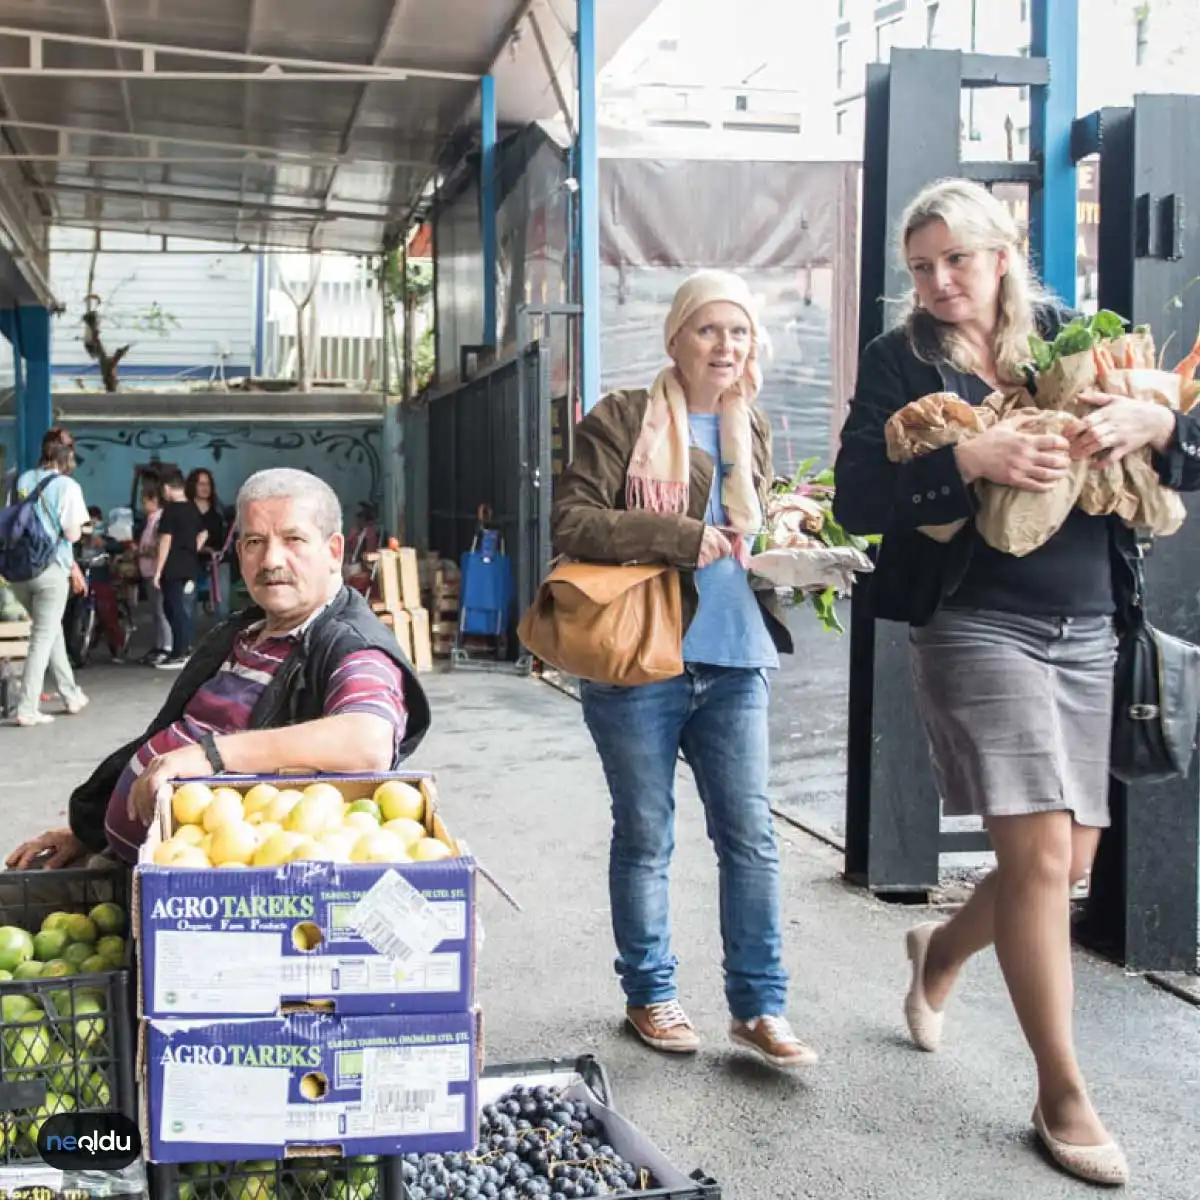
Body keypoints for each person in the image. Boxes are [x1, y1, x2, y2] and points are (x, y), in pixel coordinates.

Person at [833, 177, 1200, 1186]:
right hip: (973, 623)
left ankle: (942, 952)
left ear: (1003, 253)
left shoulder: (1081, 338)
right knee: (1041, 856)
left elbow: (1189, 458)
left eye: (956, 259)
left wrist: (1155, 430)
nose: (939, 281)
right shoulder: (898, 358)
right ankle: (1062, 1093)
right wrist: (970, 457)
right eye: (920, 267)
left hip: (1090, 626)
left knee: (1066, 860)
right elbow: (857, 494)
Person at [550, 271, 814, 1071]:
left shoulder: (752, 425)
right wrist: (672, 535)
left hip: (734, 656)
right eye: (709, 329)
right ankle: (651, 993)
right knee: (647, 835)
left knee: (752, 839)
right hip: (639, 659)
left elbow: (746, 533)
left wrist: (792, 542)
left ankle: (760, 1007)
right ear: (676, 338)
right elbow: (572, 520)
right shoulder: (623, 417)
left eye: (739, 332)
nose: (725, 346)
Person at [8, 467, 432, 869]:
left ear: (333, 551)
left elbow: (367, 739)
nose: (270, 560)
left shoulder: (348, 643)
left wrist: (212, 755)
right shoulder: (246, 630)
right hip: (136, 864)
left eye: (293, 539)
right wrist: (88, 832)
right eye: (253, 542)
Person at [6, 428, 89, 726]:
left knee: (49, 631)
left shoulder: (22, 479)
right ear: (66, 455)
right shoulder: (67, 485)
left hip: (18, 571)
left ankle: (71, 694)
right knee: (43, 637)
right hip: (49, 570)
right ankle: (26, 708)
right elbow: (72, 533)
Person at [154, 469, 207, 670]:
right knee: (179, 609)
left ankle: (179, 652)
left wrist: (158, 570)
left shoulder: (171, 510)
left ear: (167, 489)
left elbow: (165, 540)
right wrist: (193, 549)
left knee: (174, 609)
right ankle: (184, 649)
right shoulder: (192, 508)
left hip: (173, 567)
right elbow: (204, 532)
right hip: (189, 566)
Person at [187, 467, 231, 617]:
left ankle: (221, 636)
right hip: (193, 562)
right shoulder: (186, 510)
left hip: (218, 562)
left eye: (208, 484)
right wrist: (203, 549)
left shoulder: (218, 508)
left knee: (222, 604)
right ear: (193, 486)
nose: (205, 488)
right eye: (201, 484)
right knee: (188, 603)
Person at [136, 478, 172, 665]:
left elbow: (160, 546)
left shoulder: (159, 520)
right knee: (155, 611)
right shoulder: (149, 521)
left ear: (153, 500)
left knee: (161, 611)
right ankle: (158, 645)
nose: (143, 505)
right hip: (147, 570)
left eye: (144, 501)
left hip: (155, 571)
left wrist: (143, 551)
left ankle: (166, 646)